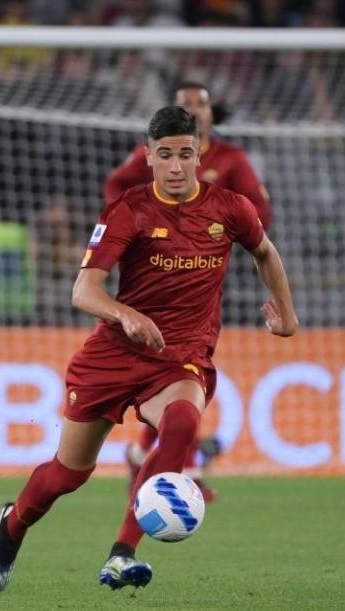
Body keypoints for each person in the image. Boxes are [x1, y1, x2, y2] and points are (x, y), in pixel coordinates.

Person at [0, 106, 297, 592]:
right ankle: (12, 524)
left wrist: (287, 314)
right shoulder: (129, 210)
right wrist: (126, 314)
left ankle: (122, 553)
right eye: (165, 155)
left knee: (184, 423)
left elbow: (264, 252)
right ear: (148, 157)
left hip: (180, 356)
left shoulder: (230, 208)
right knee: (68, 475)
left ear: (200, 155)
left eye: (186, 154)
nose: (176, 166)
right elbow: (84, 291)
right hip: (115, 354)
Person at [106, 82, 272, 501]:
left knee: (181, 373)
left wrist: (228, 225)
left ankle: (150, 456)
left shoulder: (231, 158)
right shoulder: (161, 154)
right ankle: (173, 465)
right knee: (172, 373)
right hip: (151, 278)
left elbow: (260, 211)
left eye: (200, 103)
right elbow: (117, 184)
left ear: (212, 114)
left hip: (205, 278)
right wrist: (120, 230)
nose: (194, 109)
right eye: (185, 104)